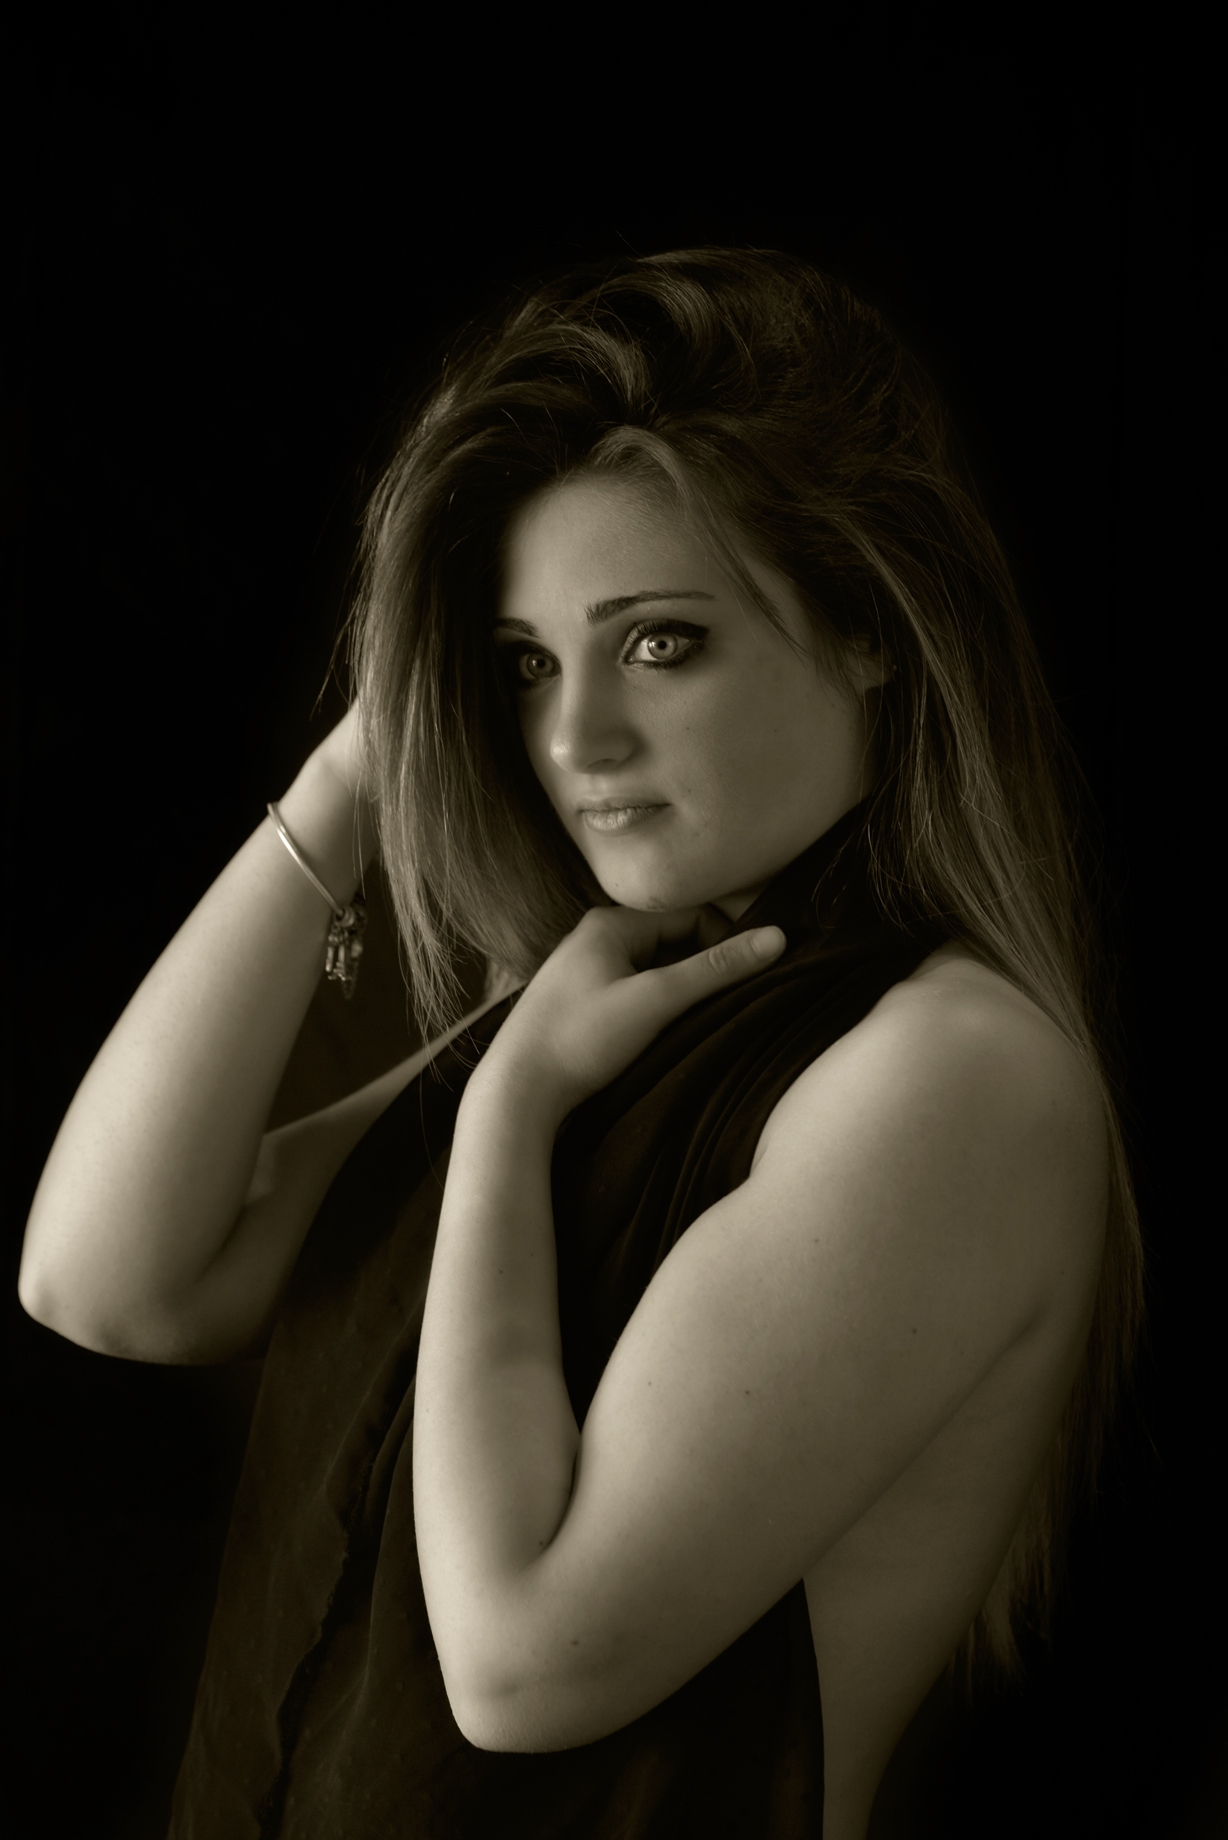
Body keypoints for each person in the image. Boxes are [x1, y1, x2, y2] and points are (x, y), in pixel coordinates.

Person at [18, 248, 1142, 1839]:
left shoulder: (952, 1075)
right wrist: (360, 767)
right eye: (524, 664)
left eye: (660, 643)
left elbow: (525, 1666)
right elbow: (109, 1279)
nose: (572, 740)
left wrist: (506, 1114)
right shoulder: (613, 1005)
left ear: (869, 625)